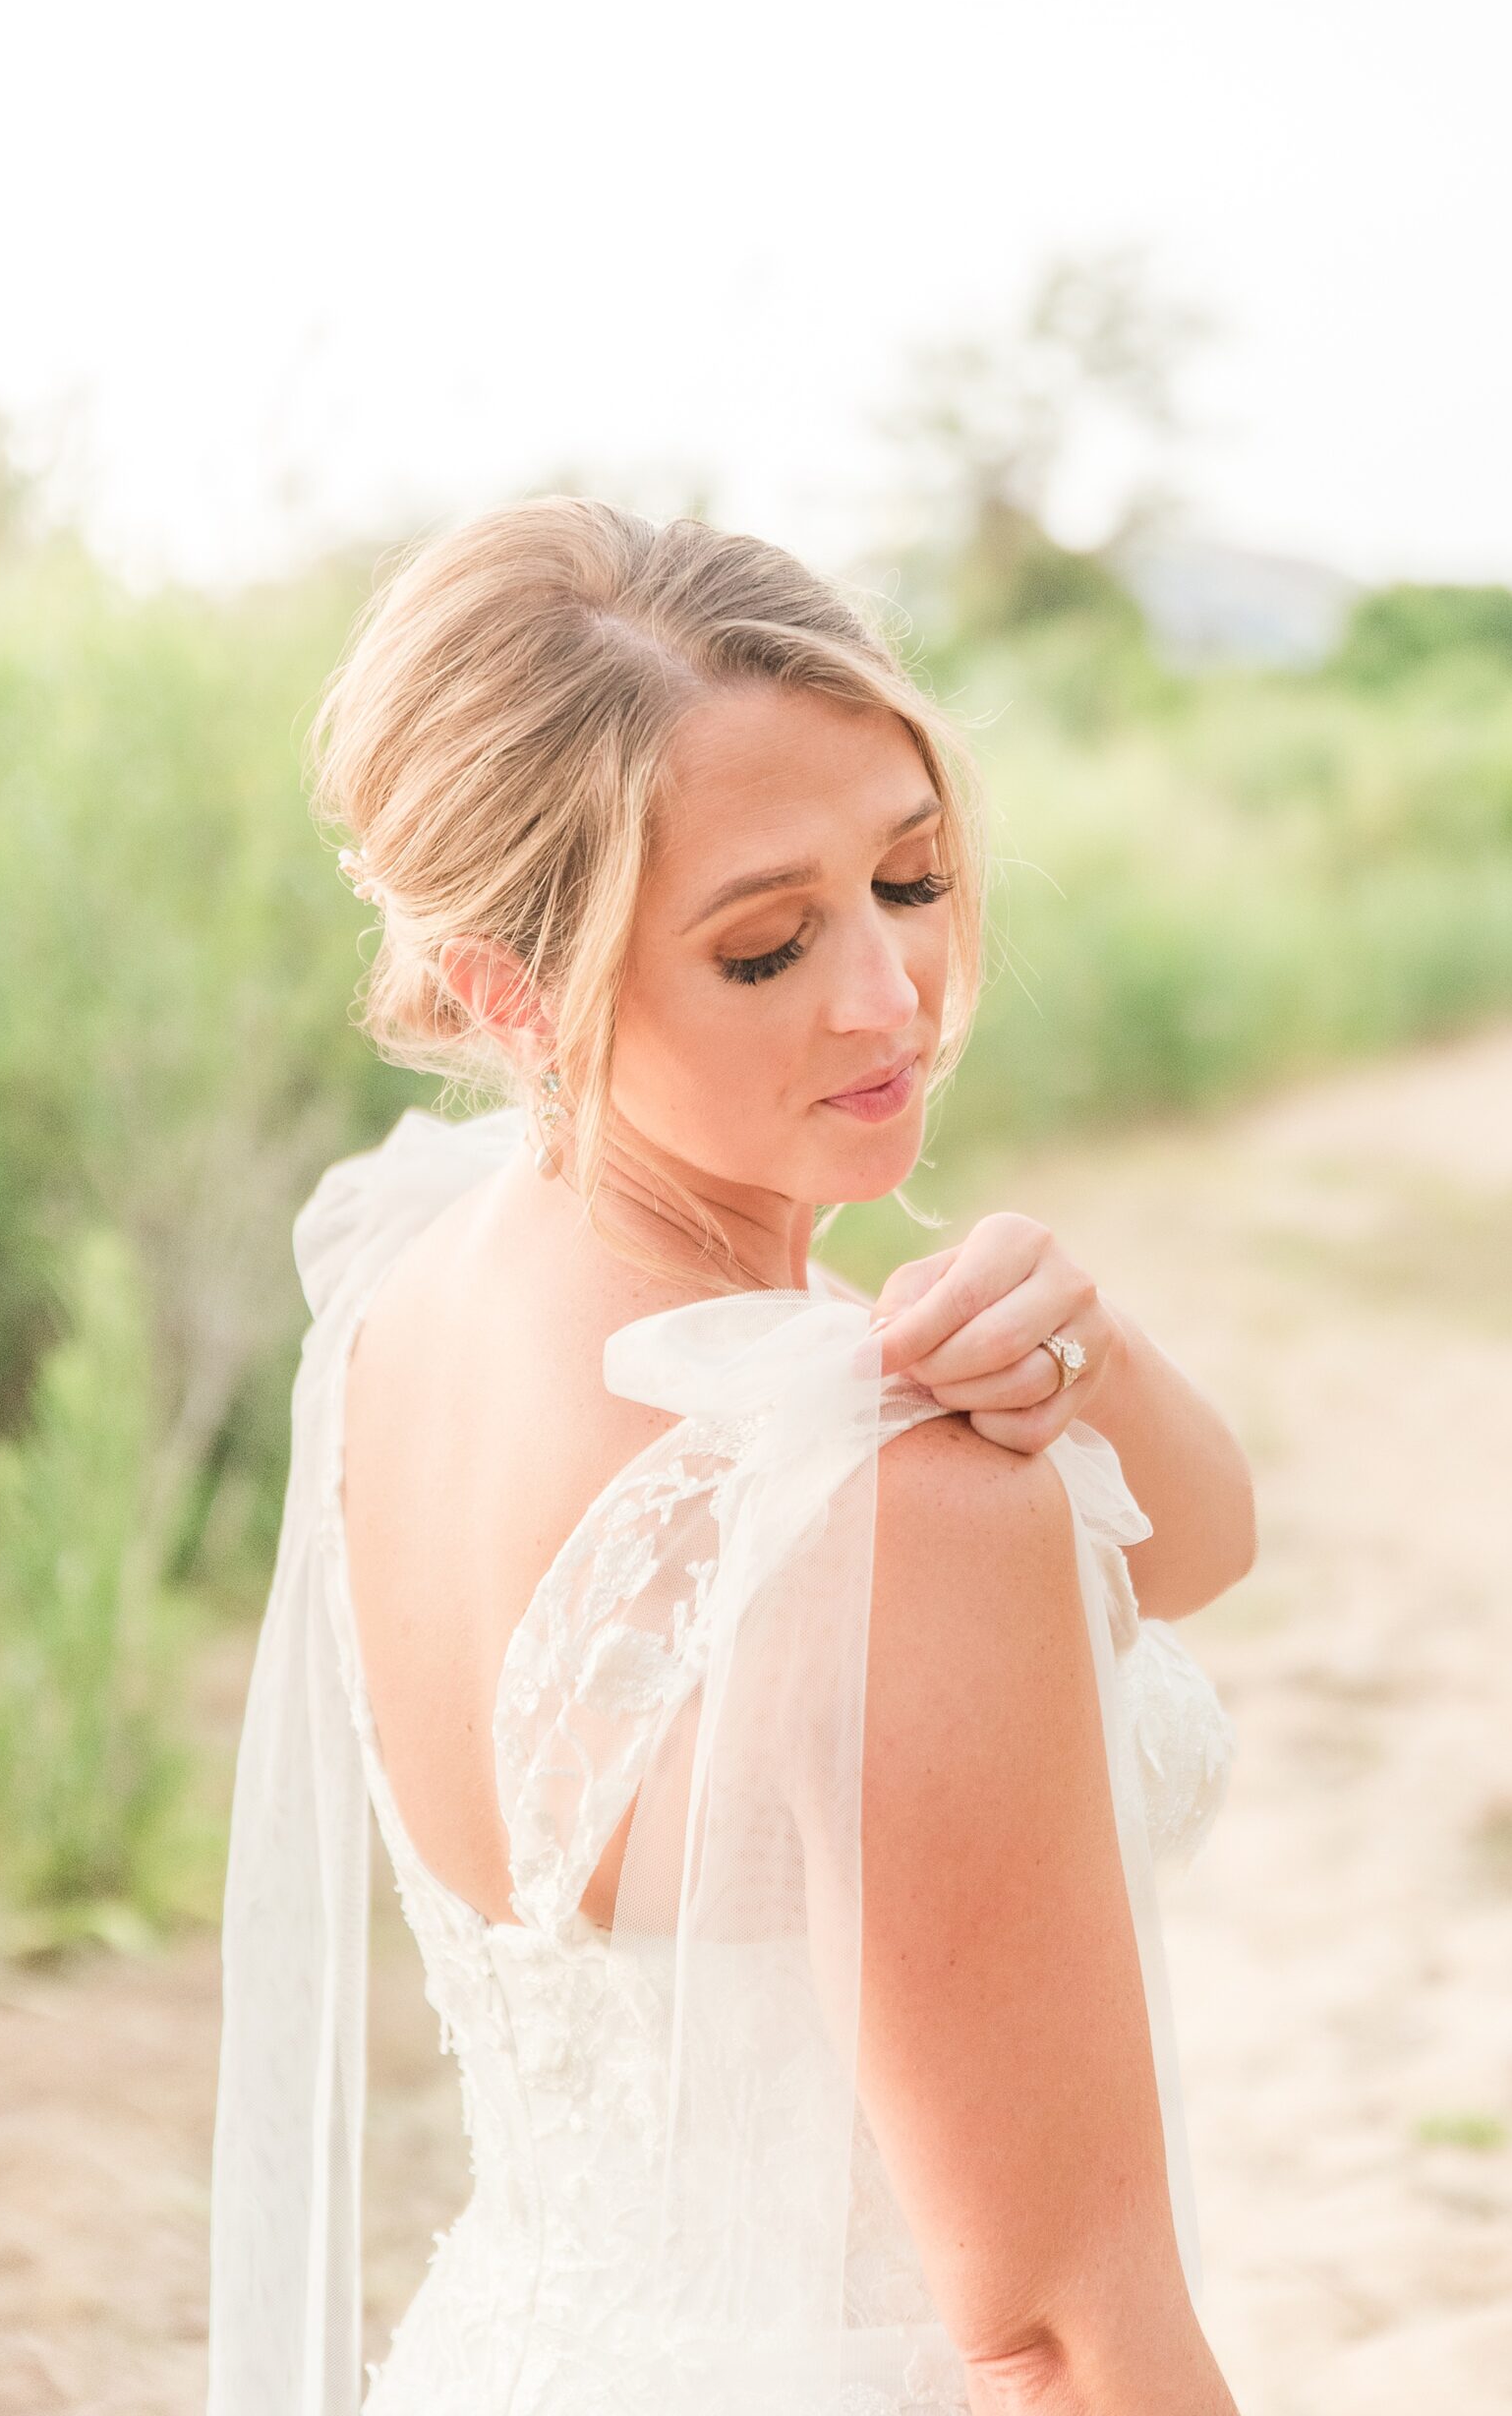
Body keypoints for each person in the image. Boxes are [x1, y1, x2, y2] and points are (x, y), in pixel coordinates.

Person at [206, 498, 1252, 2416]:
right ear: (507, 983)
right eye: (768, 945)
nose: (890, 997)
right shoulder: (884, 1502)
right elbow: (1060, 2337)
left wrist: (1078, 1336)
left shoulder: (406, 1284)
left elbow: (1200, 1539)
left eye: (913, 878)